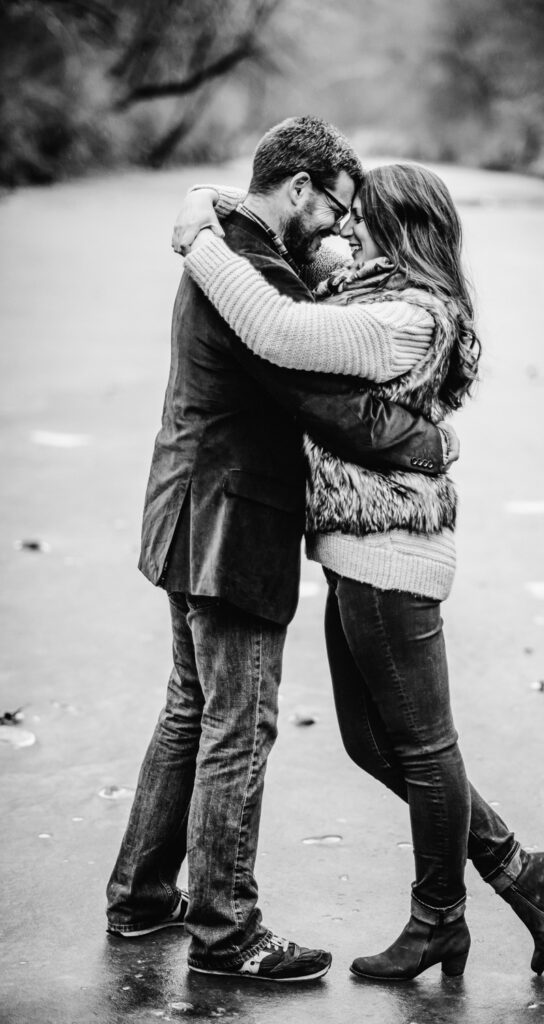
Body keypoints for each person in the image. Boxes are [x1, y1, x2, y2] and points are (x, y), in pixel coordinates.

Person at [172, 161, 544, 980]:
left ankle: (439, 920)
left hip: (394, 553)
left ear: (397, 233)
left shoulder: (404, 318)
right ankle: (512, 866)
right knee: (368, 743)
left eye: (363, 223)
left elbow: (282, 333)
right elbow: (312, 293)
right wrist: (214, 200)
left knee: (425, 749)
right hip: (357, 554)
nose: (345, 231)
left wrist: (200, 241)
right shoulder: (373, 299)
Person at [105, 118, 459, 984]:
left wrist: (207, 204)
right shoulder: (249, 271)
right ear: (296, 190)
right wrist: (417, 441)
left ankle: (142, 895)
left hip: (185, 506)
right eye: (334, 211)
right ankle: (229, 933)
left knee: (190, 710)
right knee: (239, 722)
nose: (340, 231)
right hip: (232, 522)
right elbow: (315, 393)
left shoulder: (233, 242)